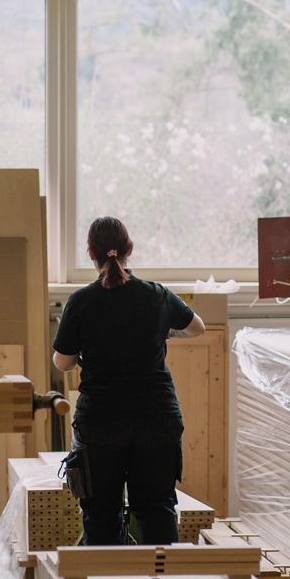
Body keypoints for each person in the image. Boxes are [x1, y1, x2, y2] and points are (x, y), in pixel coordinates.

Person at [52, 217, 206, 546]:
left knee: (101, 514)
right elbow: (198, 328)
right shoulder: (157, 295)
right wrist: (163, 332)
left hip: (101, 423)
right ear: (130, 250)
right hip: (157, 419)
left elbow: (63, 363)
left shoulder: (81, 301)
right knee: (156, 510)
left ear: (90, 253)